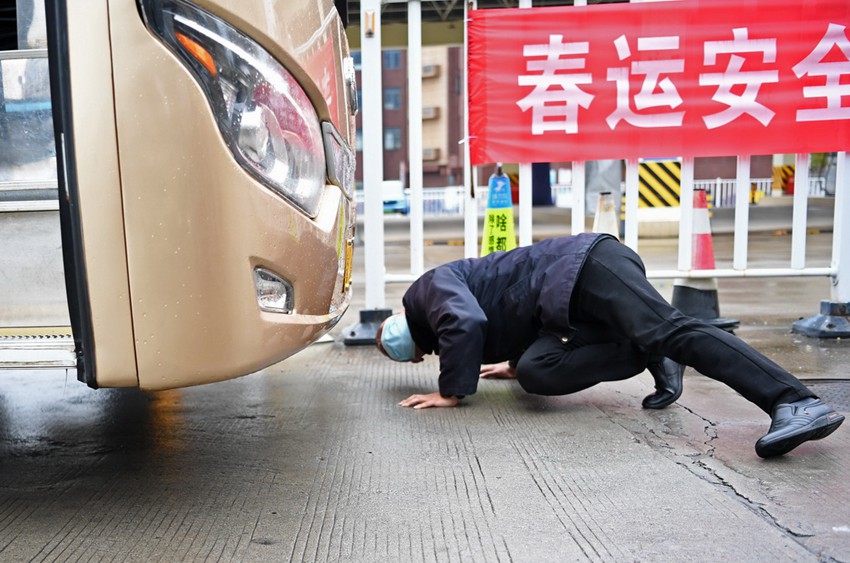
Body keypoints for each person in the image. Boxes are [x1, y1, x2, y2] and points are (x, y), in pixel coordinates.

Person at [375, 233, 844, 458]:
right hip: (565, 303)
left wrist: (452, 391)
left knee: (670, 329)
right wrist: (514, 365)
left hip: (584, 266)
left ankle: (794, 401)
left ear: (415, 343)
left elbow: (467, 321)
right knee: (538, 371)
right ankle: (646, 351)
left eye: (420, 356)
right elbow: (506, 311)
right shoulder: (437, 313)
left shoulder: (427, 290)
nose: (427, 357)